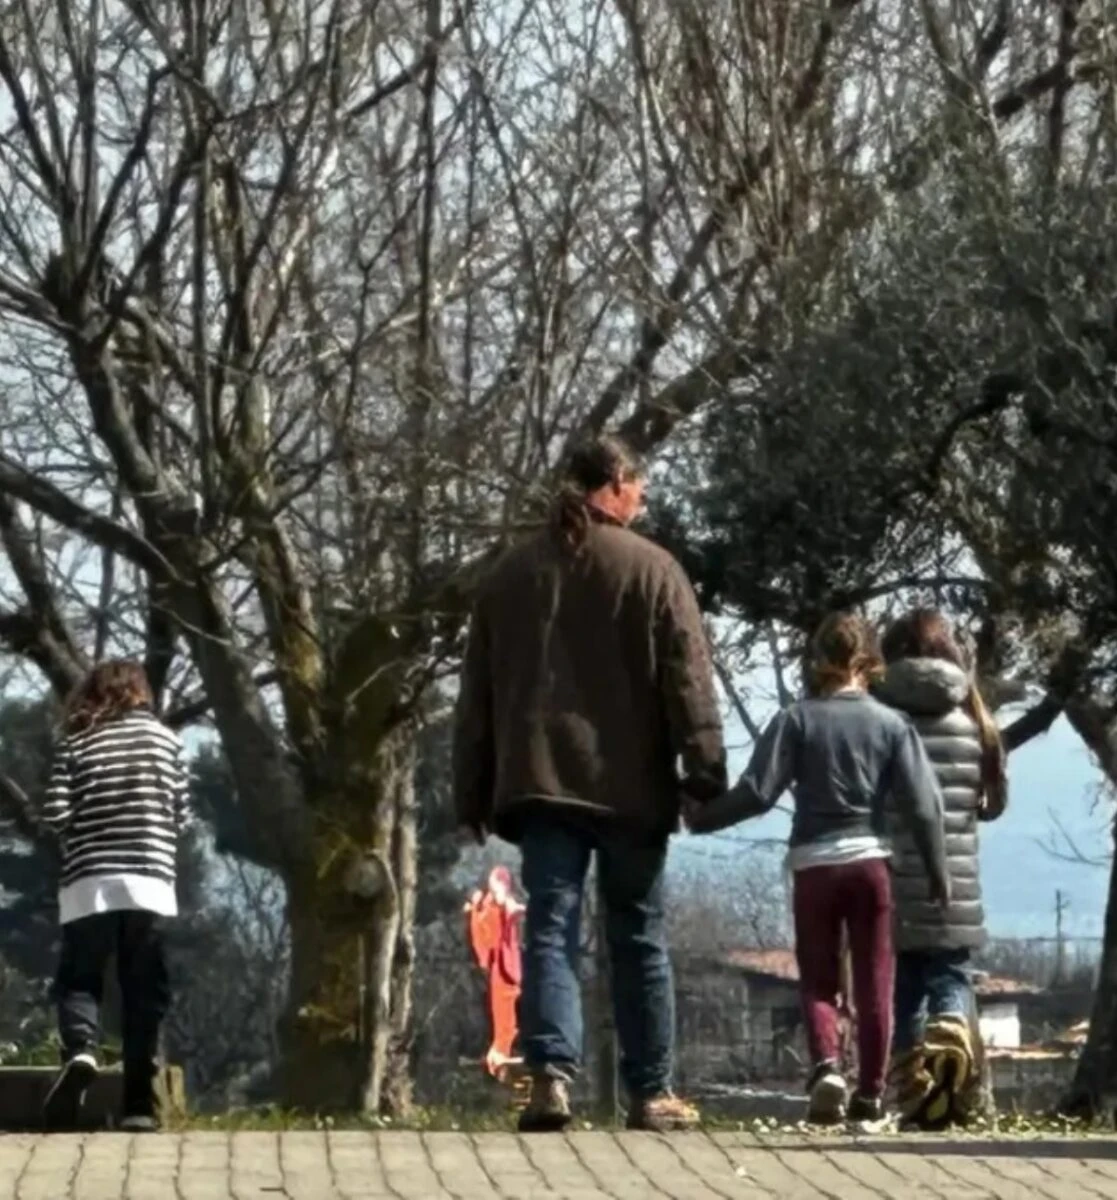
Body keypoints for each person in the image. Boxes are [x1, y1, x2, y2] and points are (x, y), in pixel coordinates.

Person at [453, 434, 726, 1133]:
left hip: (540, 780)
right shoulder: (654, 570)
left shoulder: (510, 575)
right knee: (637, 933)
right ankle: (651, 1090)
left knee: (550, 927)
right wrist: (702, 769)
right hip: (631, 785)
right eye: (637, 485)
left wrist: (471, 787)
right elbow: (687, 677)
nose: (643, 498)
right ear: (612, 486)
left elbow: (477, 694)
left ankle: (548, 1076)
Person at [686, 612, 950, 1125]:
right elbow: (924, 805)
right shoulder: (892, 725)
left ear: (818, 661)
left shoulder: (796, 719)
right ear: (869, 661)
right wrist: (938, 871)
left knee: (818, 978)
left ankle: (826, 1065)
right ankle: (871, 1094)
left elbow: (758, 792)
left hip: (814, 864)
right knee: (877, 983)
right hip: (871, 864)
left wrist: (702, 819)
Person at [40, 660, 191, 1132]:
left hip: (90, 883)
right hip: (149, 885)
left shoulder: (78, 743)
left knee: (80, 979)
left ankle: (82, 1049)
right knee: (143, 991)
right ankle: (138, 1108)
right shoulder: (169, 743)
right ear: (141, 693)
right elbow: (182, 816)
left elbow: (56, 812)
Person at [876, 608, 1008, 1129]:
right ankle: (952, 1022)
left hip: (890, 874)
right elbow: (993, 805)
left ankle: (916, 1097)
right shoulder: (972, 718)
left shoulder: (880, 716)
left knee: (903, 987)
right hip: (954, 878)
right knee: (949, 971)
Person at [464, 866, 525, 1077]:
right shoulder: (483, 909)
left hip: (505, 964)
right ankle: (501, 1052)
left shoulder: (491, 905)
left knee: (505, 1010)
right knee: (502, 1012)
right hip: (500, 965)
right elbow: (481, 938)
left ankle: (502, 1051)